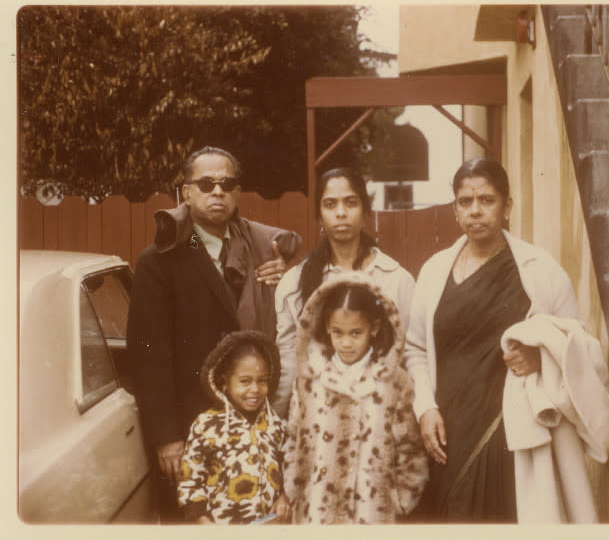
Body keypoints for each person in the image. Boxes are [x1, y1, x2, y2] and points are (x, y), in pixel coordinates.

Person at [403, 158, 609, 523]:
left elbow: (577, 344)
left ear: (506, 206)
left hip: (510, 430)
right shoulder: (435, 270)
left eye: (487, 200)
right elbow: (416, 348)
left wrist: (541, 357)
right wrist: (425, 408)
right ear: (455, 209)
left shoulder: (541, 270)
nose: (476, 211)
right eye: (465, 202)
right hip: (448, 429)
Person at [127, 146, 301, 521]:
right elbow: (149, 358)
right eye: (205, 184)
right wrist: (167, 437)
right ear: (185, 193)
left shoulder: (258, 251)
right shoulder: (160, 260)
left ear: (238, 193)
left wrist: (284, 281)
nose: (217, 192)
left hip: (253, 426)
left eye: (227, 184)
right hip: (190, 431)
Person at [283, 273, 428, 523]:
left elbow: (409, 447)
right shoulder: (309, 380)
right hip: (316, 513)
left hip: (371, 514)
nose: (346, 343)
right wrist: (293, 488)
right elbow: (294, 440)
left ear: (374, 328)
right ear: (327, 327)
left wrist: (401, 498)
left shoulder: (395, 382)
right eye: (338, 333)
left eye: (356, 333)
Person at [274, 167, 414, 418]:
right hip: (317, 423)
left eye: (351, 203)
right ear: (318, 214)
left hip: (379, 420)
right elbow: (289, 363)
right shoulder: (294, 284)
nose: (341, 213)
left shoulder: (395, 279)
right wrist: (278, 420)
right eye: (330, 204)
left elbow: (409, 356)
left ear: (365, 211)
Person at [177, 330, 291, 524]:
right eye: (245, 381)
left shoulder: (276, 425)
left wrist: (283, 496)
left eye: (261, 380)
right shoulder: (206, 425)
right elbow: (190, 481)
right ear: (224, 382)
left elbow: (289, 469)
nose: (254, 389)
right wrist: (202, 521)